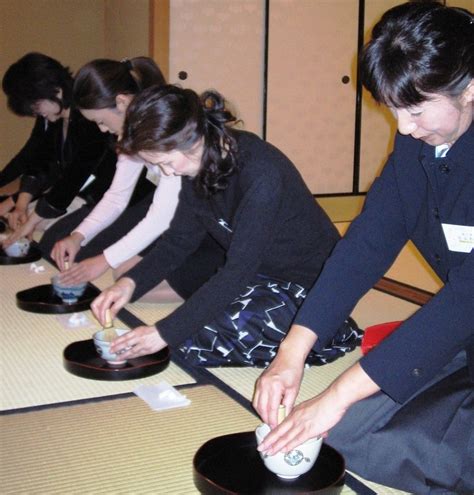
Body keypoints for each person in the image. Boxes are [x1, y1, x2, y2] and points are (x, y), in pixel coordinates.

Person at [253, 2, 473, 493]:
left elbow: (464, 300)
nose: (404, 127)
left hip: (465, 316)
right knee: (347, 436)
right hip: (467, 334)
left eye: (415, 110)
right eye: (394, 110)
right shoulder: (417, 144)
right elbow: (367, 245)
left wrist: (335, 394)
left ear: (471, 86)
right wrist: (292, 350)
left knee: (371, 426)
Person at [91, 84, 362, 367]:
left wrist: (163, 332)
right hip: (261, 276)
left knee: (197, 335)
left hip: (312, 284)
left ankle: (333, 329)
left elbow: (237, 272)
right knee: (195, 325)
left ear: (191, 139)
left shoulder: (260, 173)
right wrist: (128, 283)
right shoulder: (196, 164)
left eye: (166, 162)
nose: (167, 173)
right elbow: (178, 241)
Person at [42, 57, 182, 291]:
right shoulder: (133, 131)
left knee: (128, 279)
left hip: (205, 223)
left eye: (101, 121)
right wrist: (78, 236)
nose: (102, 129)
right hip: (179, 215)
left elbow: (163, 217)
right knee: (123, 274)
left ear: (122, 102)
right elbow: (117, 196)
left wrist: (104, 260)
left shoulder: (164, 128)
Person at [0, 52, 118, 245]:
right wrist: (20, 204)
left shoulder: (88, 116)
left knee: (50, 236)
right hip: (71, 192)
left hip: (96, 195)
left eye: (35, 105)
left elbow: (75, 176)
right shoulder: (52, 115)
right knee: (24, 220)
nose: (34, 112)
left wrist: (29, 216)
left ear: (56, 90)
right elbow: (35, 158)